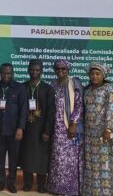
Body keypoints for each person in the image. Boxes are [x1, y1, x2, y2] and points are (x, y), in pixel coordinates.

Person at [81, 62, 113, 196]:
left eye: (98, 74)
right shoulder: (87, 90)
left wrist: (109, 129)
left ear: (103, 75)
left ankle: (107, 192)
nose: (94, 76)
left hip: (104, 133)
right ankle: (92, 192)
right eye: (92, 74)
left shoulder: (109, 88)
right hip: (89, 134)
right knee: (92, 164)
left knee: (106, 164)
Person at [47, 59, 83, 196]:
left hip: (69, 127)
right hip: (56, 127)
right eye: (57, 69)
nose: (60, 71)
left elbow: (79, 104)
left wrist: (73, 123)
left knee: (70, 158)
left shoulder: (74, 82)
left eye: (63, 69)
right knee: (57, 157)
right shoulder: (53, 83)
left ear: (68, 69)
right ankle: (56, 187)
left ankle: (70, 189)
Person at [19, 59, 55, 193]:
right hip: (27, 128)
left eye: (37, 70)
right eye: (32, 69)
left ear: (41, 71)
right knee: (27, 155)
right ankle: (27, 183)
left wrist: (47, 131)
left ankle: (41, 184)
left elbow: (51, 111)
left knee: (42, 157)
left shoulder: (47, 88)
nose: (34, 72)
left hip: (42, 129)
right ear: (28, 70)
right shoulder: (23, 86)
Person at [0, 63, 26, 193]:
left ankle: (11, 182)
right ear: (0, 73)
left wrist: (20, 128)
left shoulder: (19, 88)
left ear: (12, 73)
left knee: (13, 158)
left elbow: (23, 109)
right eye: (4, 73)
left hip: (14, 130)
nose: (6, 75)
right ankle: (0, 181)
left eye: (9, 73)